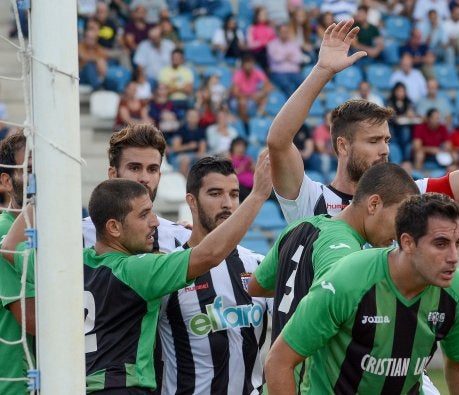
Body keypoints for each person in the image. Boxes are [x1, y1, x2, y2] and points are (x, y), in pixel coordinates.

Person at [3, 151, 272, 393]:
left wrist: (41, 195)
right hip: (124, 386)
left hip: (75, 385)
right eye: (144, 215)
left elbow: (11, 249)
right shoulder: (138, 271)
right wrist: (258, 194)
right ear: (114, 228)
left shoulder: (71, 262)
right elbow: (209, 255)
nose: (155, 222)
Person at [266, 19, 459, 225]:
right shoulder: (310, 199)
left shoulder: (409, 196)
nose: (385, 149)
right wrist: (322, 71)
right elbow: (278, 142)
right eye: (373, 140)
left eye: (386, 140)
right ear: (342, 146)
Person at [264, 192, 459, 394]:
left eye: (458, 242)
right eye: (440, 244)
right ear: (407, 242)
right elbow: (279, 361)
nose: (454, 256)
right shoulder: (347, 281)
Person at [157, 157, 271, 394]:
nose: (227, 204)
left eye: (234, 194)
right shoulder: (168, 270)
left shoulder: (258, 265)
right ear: (192, 201)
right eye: (215, 193)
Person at [83, 124, 191, 253]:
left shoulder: (180, 239)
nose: (144, 178)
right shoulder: (76, 237)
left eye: (152, 169)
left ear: (159, 176)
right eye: (134, 168)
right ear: (113, 175)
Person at [0, 132, 35, 395]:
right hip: (16, 385)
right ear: (6, 181)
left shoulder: (68, 233)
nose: (40, 178)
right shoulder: (2, 234)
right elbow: (32, 320)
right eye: (31, 169)